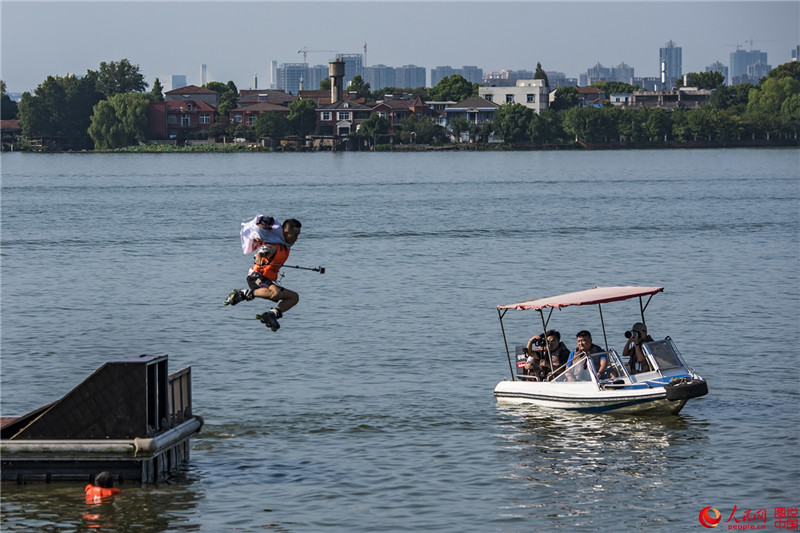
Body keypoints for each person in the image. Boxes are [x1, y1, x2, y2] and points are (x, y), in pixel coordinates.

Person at [224, 215, 302, 332]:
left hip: (267, 280)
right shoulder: (274, 245)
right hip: (256, 276)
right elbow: (263, 251)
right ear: (286, 233)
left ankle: (271, 314)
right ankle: (242, 294)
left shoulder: (285, 246)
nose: (297, 238)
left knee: (294, 297)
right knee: (275, 293)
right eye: (295, 235)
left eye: (298, 235)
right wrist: (259, 256)